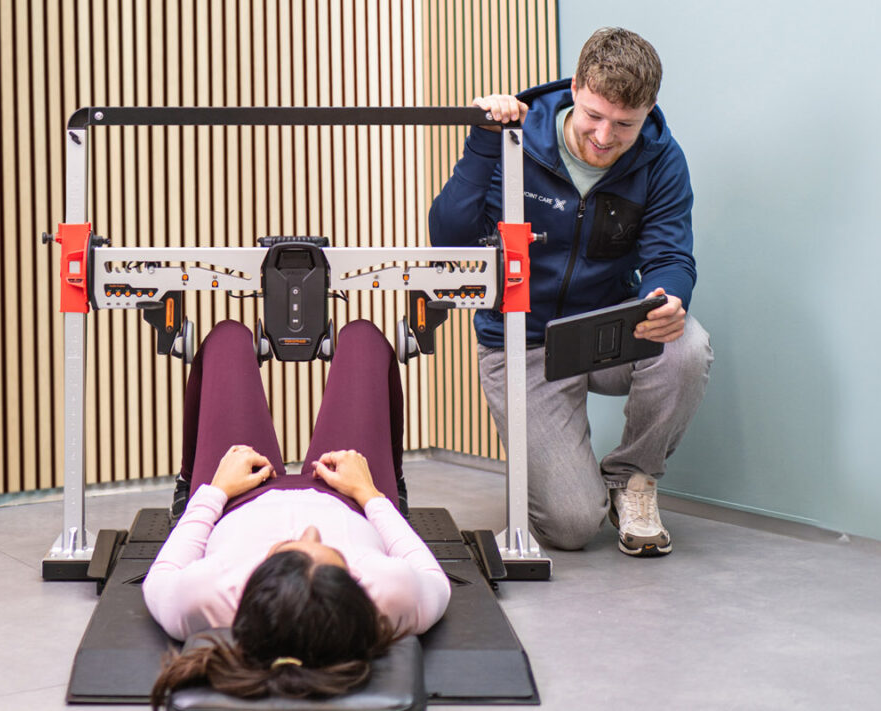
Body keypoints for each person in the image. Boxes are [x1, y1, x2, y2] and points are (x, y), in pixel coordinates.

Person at [428, 27, 712, 557]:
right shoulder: (517, 136)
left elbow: (670, 256)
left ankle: (633, 479)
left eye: (625, 124)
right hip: (522, 341)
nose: (605, 137)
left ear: (649, 109)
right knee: (573, 526)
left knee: (686, 346)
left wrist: (669, 295)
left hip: (603, 329)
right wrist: (482, 141)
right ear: (577, 87)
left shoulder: (661, 159)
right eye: (594, 117)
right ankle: (584, 493)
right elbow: (449, 240)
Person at [143, 319, 451, 708]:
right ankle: (391, 483)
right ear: (354, 591)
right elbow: (434, 579)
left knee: (227, 337)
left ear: (253, 583)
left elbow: (162, 574)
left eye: (287, 549)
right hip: (348, 493)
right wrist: (372, 495)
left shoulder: (204, 597)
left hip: (240, 493)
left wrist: (213, 492)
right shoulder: (389, 595)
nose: (309, 531)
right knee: (363, 337)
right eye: (332, 554)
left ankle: (186, 482)